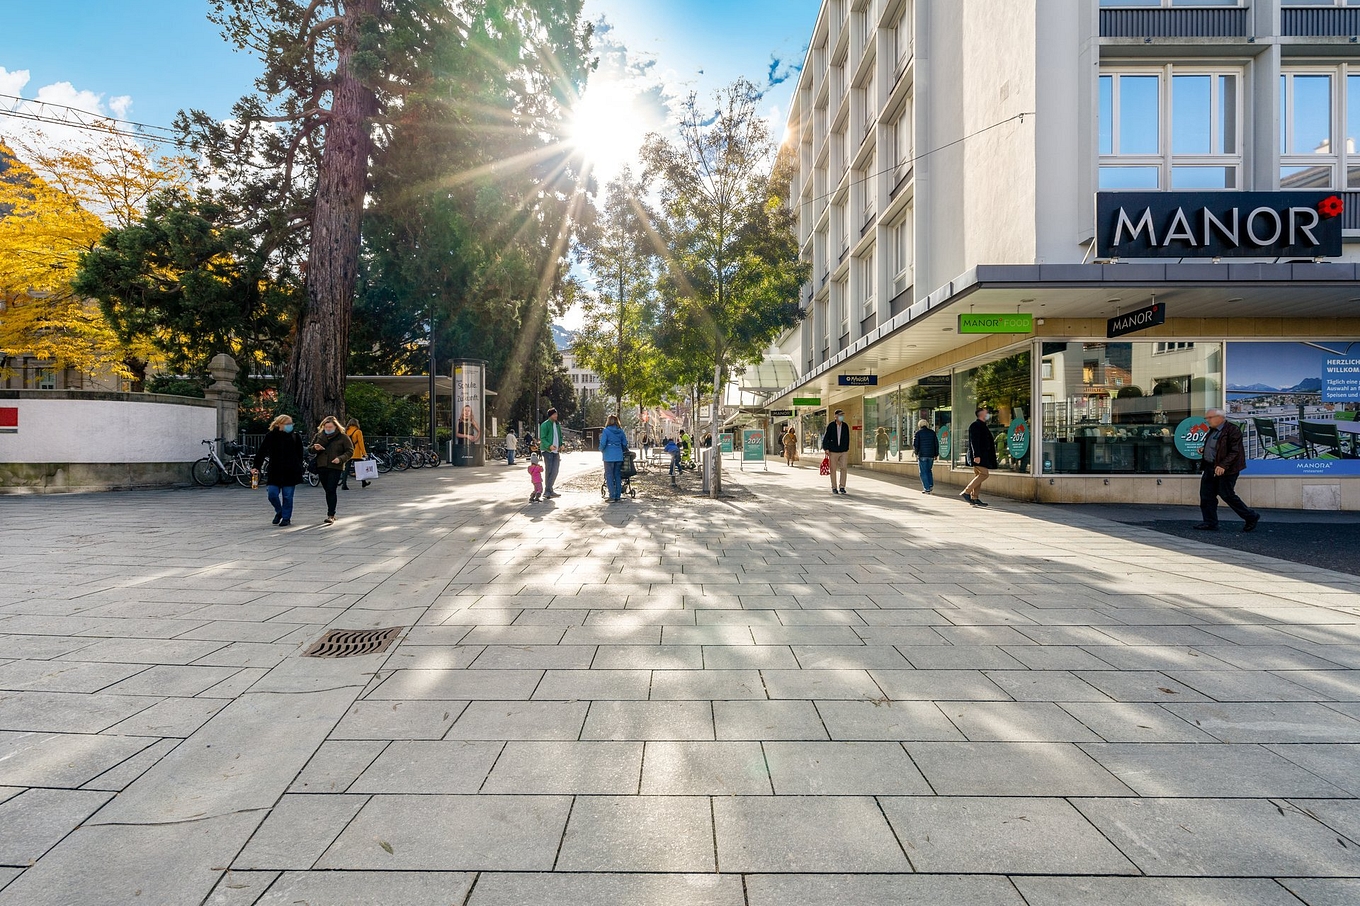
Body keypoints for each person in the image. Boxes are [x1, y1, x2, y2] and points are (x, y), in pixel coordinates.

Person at [1196, 408, 1261, 532]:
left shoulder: (1232, 430)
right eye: (1206, 418)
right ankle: (1210, 522)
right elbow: (1218, 447)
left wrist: (1223, 465)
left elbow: (1234, 451)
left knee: (1227, 494)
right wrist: (1204, 450)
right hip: (1210, 467)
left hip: (1227, 469)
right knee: (1206, 495)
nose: (1207, 420)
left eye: (1209, 418)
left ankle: (1251, 516)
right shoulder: (1213, 430)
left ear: (1219, 418)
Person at [252, 414, 305, 526]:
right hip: (275, 470)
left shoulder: (295, 437)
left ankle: (286, 517)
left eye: (291, 424)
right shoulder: (271, 436)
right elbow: (262, 452)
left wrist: (299, 467)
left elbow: (300, 454)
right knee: (272, 494)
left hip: (291, 471)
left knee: (287, 496)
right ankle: (279, 511)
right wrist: (256, 466)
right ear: (279, 424)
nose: (290, 426)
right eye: (287, 424)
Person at [311, 415, 354, 524]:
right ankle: (331, 511)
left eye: (330, 427)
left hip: (335, 466)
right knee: (327, 490)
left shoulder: (343, 437)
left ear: (336, 426)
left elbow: (350, 451)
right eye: (326, 427)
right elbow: (310, 449)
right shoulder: (319, 436)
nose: (328, 429)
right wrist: (315, 448)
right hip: (322, 466)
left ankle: (331, 514)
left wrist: (340, 459)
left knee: (331, 489)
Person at [962, 406, 997, 507]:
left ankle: (975, 497)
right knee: (984, 474)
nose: (988, 415)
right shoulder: (976, 425)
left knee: (978, 475)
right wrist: (976, 455)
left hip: (982, 455)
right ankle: (966, 492)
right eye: (986, 413)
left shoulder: (982, 425)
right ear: (981, 414)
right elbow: (974, 441)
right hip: (978, 456)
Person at [600, 414, 629, 503]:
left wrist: (601, 449)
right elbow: (625, 443)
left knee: (609, 475)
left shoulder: (606, 431)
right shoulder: (620, 431)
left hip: (608, 455)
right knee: (617, 475)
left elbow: (603, 443)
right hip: (618, 455)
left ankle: (612, 496)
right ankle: (618, 496)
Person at [822, 408, 851, 495]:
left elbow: (847, 438)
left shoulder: (845, 426)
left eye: (842, 415)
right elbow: (826, 437)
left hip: (843, 451)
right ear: (835, 416)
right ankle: (834, 487)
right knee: (833, 469)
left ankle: (842, 486)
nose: (842, 417)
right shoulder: (831, 426)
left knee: (844, 468)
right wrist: (826, 448)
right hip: (833, 451)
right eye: (840, 415)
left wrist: (846, 448)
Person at [538, 408, 562, 499]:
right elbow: (543, 438)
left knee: (555, 470)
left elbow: (560, 436)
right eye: (554, 414)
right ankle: (547, 490)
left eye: (556, 414)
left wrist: (561, 444)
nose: (556, 416)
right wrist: (549, 446)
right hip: (547, 451)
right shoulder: (545, 425)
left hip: (556, 451)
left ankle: (549, 489)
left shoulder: (557, 425)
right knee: (549, 470)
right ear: (550, 415)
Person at [341, 417, 369, 490]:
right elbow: (361, 443)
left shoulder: (346, 431)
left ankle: (344, 484)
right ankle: (363, 482)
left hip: (348, 452)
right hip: (356, 453)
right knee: (360, 468)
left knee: (346, 469)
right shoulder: (358, 431)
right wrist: (364, 453)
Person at [913, 418, 939, 494]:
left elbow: (915, 444)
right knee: (929, 470)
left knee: (923, 472)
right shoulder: (932, 433)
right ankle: (930, 485)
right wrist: (936, 454)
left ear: (919, 425)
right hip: (931, 455)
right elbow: (936, 444)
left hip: (922, 455)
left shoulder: (918, 433)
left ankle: (926, 488)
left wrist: (916, 453)